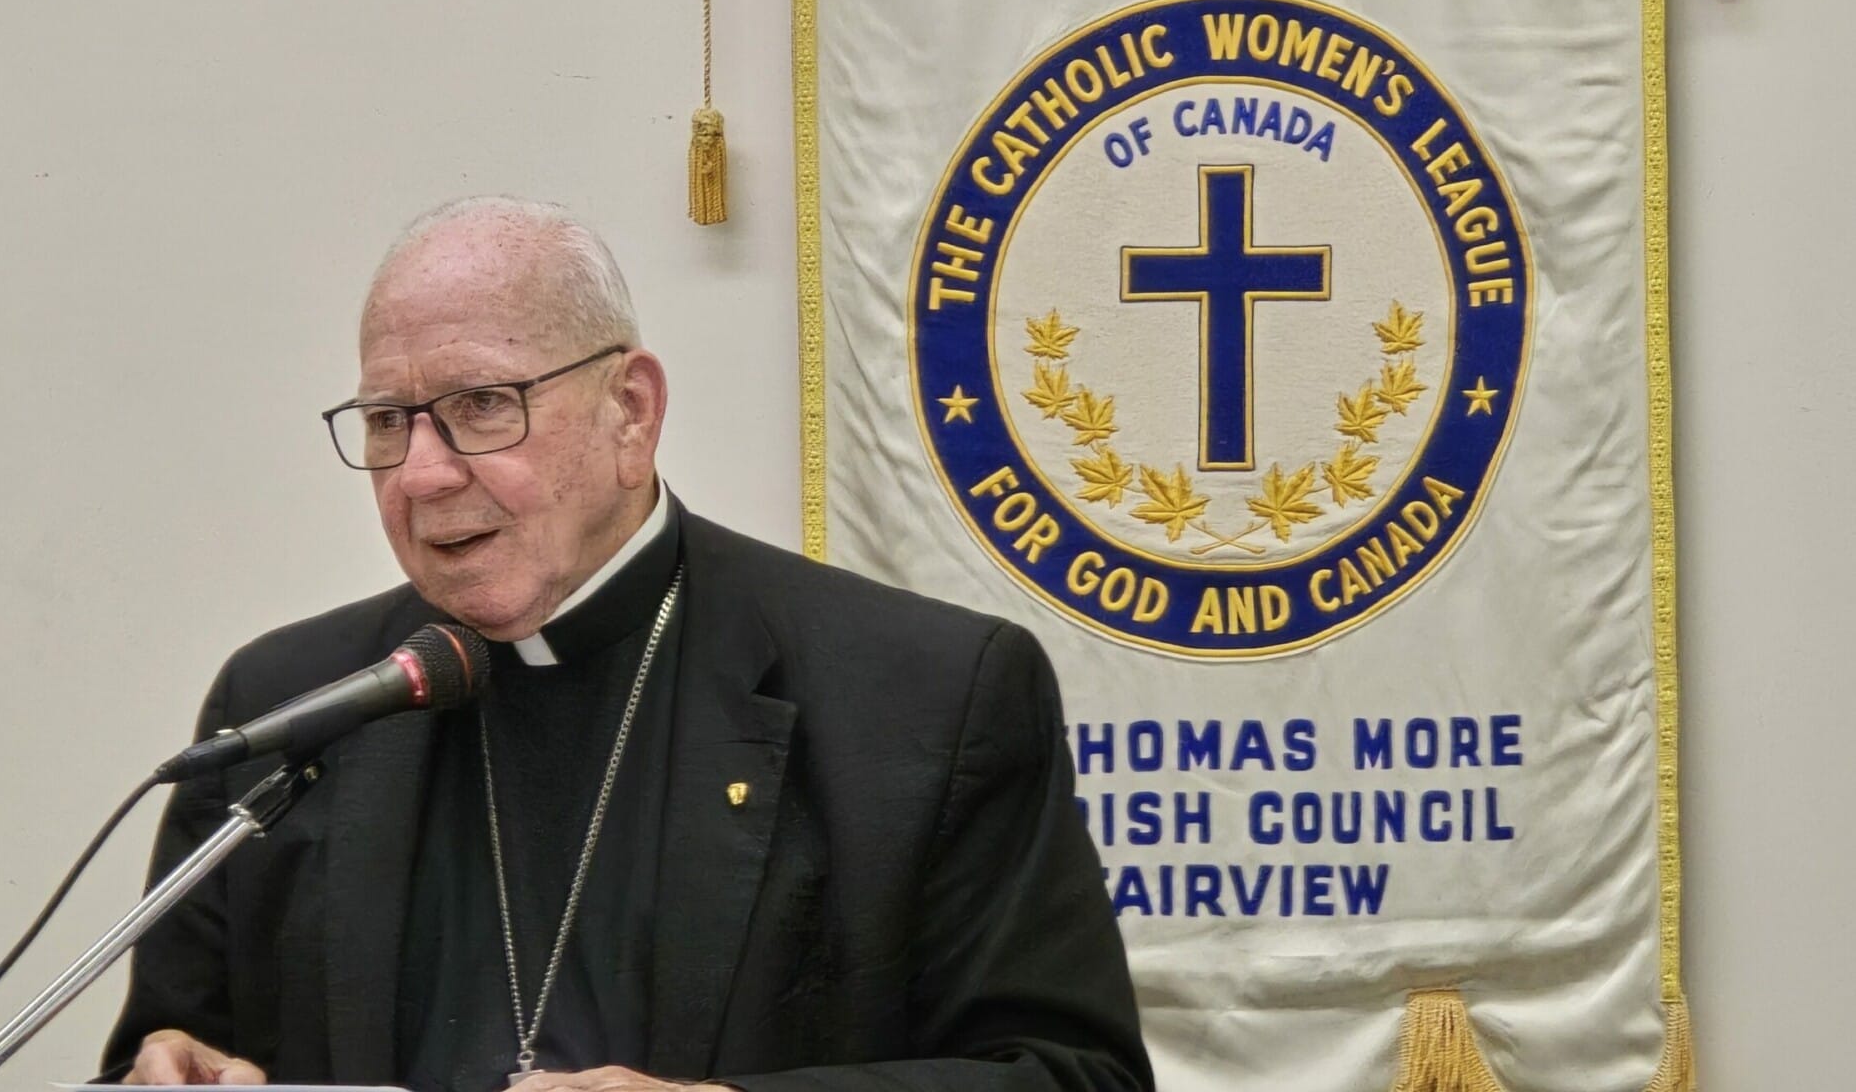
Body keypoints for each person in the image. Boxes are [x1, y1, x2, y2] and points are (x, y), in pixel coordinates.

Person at [104, 196, 1152, 1092]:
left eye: (481, 405)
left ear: (631, 412)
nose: (421, 473)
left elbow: (1072, 1077)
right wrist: (171, 1069)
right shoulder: (286, 706)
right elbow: (169, 1049)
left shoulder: (925, 697)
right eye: (387, 420)